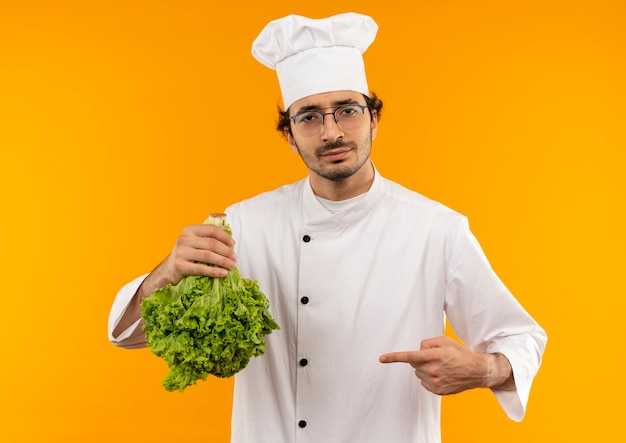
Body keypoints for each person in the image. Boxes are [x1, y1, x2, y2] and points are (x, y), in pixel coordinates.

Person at [108, 12, 547, 443]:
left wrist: (486, 370)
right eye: (309, 116)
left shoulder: (436, 229)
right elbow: (127, 336)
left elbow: (522, 337)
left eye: (347, 110)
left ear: (373, 118)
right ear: (289, 135)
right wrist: (166, 274)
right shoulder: (243, 223)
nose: (332, 132)